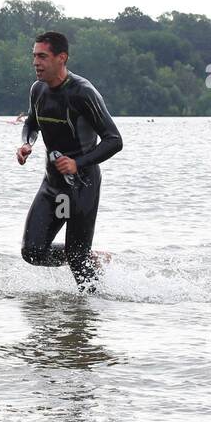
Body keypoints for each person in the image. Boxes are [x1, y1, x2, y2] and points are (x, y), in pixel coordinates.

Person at [16, 31, 123, 292]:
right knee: (33, 252)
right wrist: (27, 143)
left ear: (61, 58)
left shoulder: (83, 93)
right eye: (34, 56)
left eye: (42, 56)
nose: (36, 63)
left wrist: (78, 163)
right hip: (53, 185)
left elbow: (114, 140)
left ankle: (94, 313)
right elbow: (31, 124)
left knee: (79, 265)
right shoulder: (37, 89)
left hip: (82, 186)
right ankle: (91, 257)